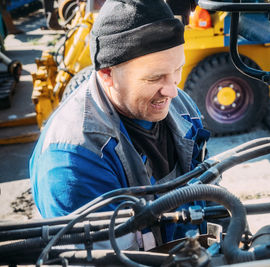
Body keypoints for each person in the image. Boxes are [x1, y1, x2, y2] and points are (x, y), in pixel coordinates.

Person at [30, 0, 209, 250]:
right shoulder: (73, 159)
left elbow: (210, 195)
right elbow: (111, 258)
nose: (171, 90)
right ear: (107, 74)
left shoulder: (182, 108)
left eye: (177, 70)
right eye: (155, 77)